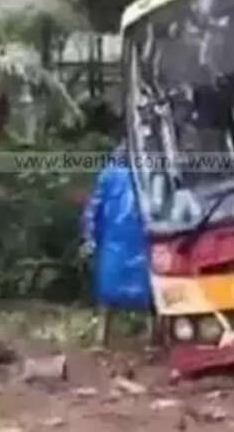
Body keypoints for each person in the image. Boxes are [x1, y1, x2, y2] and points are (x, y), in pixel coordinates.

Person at [82, 145, 153, 346]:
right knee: (146, 293)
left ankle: (101, 340)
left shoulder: (108, 176)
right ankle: (150, 339)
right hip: (137, 242)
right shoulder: (145, 175)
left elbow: (93, 209)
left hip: (115, 243)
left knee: (108, 294)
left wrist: (89, 237)